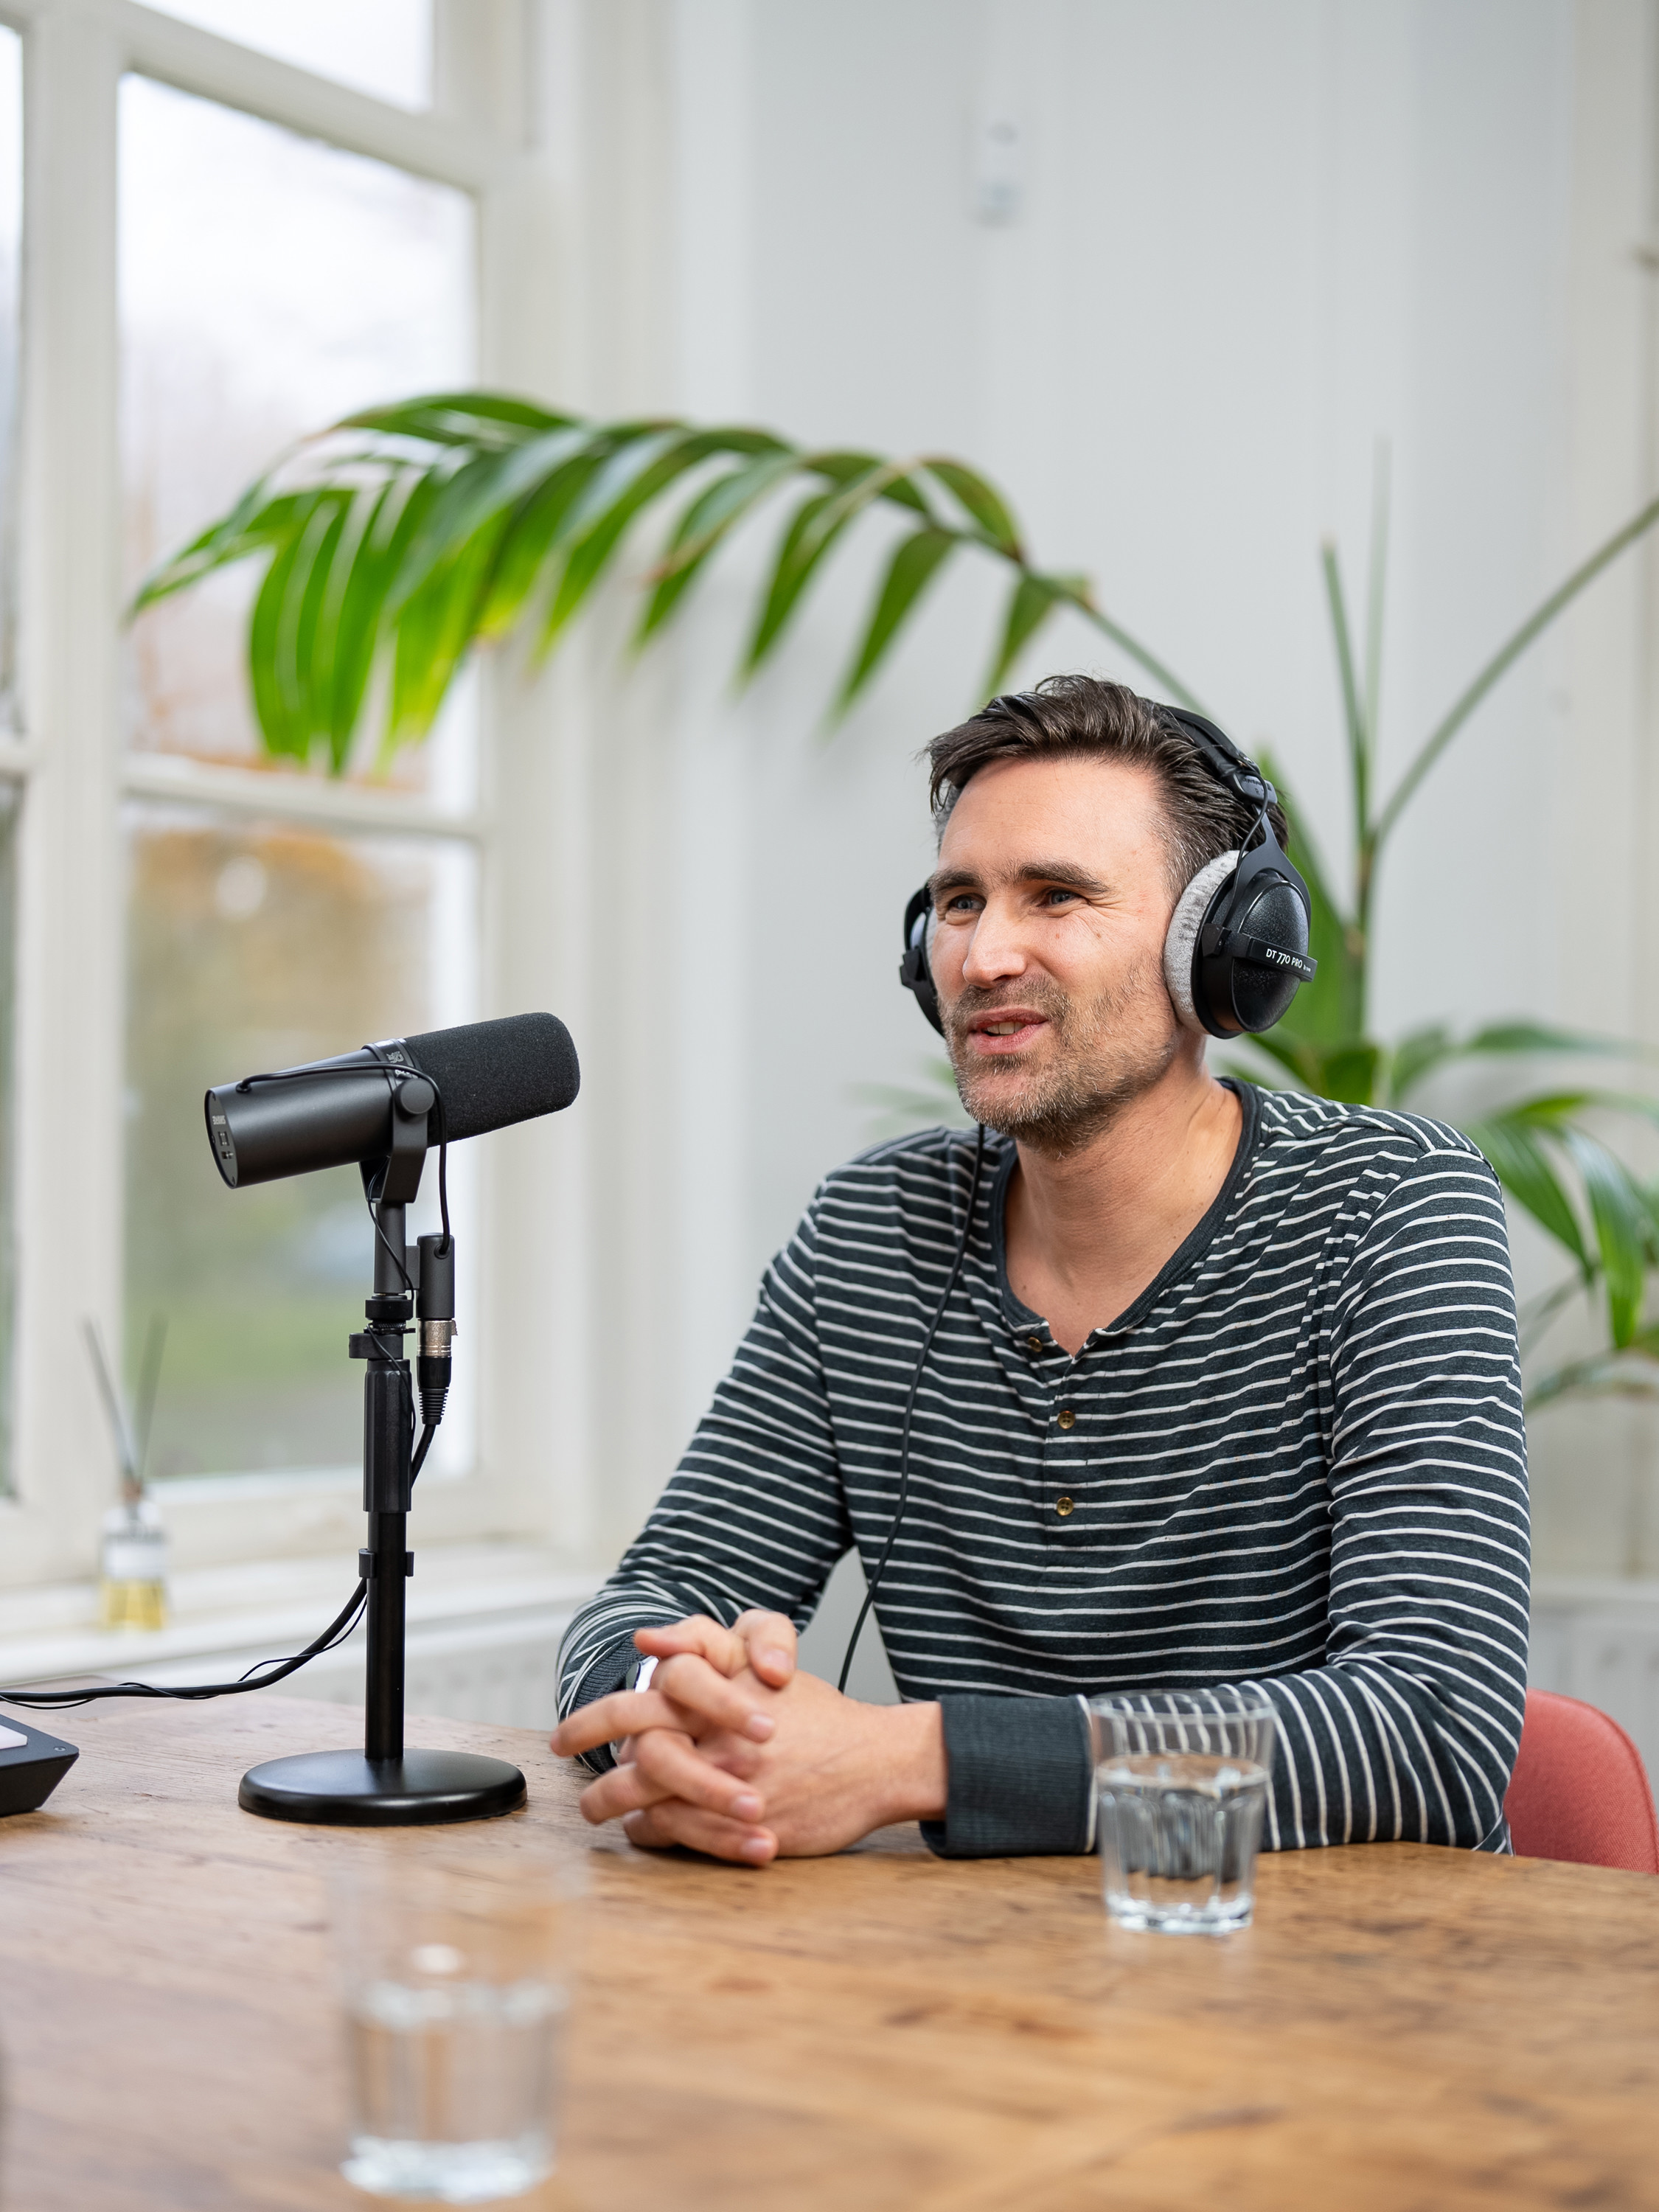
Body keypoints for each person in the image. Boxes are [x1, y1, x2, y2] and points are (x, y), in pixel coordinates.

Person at [553, 676, 1529, 1864]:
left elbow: (1431, 1727)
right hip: (975, 1995)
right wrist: (680, 1714)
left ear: (1216, 949)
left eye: (1054, 896)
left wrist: (908, 1761)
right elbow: (653, 1593)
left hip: (1340, 1993)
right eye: (959, 903)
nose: (982, 956)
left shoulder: (1389, 1205)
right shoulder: (875, 1228)